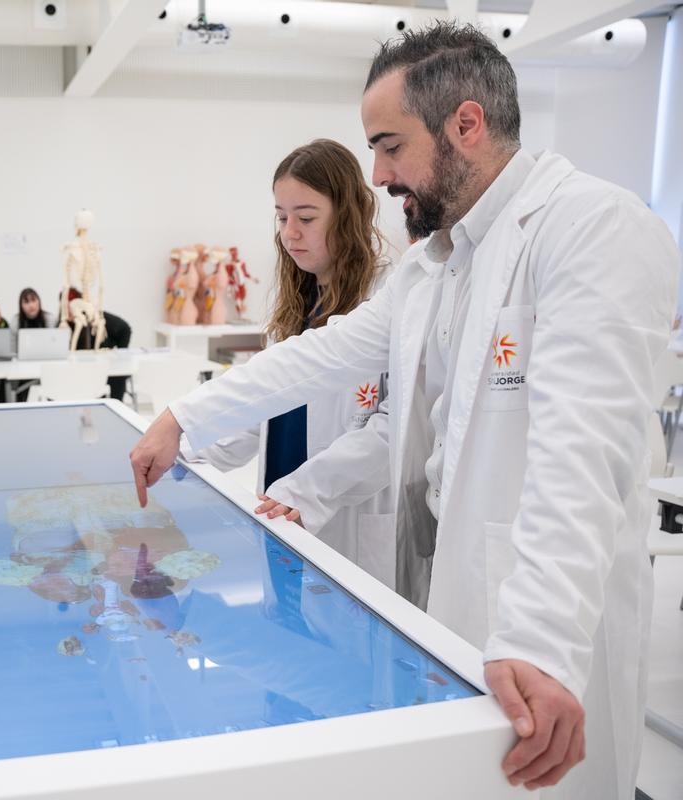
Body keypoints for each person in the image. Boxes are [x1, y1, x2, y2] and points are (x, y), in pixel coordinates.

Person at [130, 21, 680, 800]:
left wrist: (543, 642)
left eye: (390, 146)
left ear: (466, 124)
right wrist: (186, 418)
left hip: (543, 627)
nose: (379, 175)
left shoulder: (594, 227)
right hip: (449, 605)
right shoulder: (436, 266)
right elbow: (324, 352)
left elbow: (582, 456)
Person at [190, 139, 395, 588]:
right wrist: (191, 450)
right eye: (282, 217)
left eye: (306, 218)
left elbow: (392, 428)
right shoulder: (293, 305)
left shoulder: (386, 296)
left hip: (341, 523)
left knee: (344, 641)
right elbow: (261, 408)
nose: (290, 233)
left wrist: (306, 490)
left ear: (349, 214)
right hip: (280, 516)